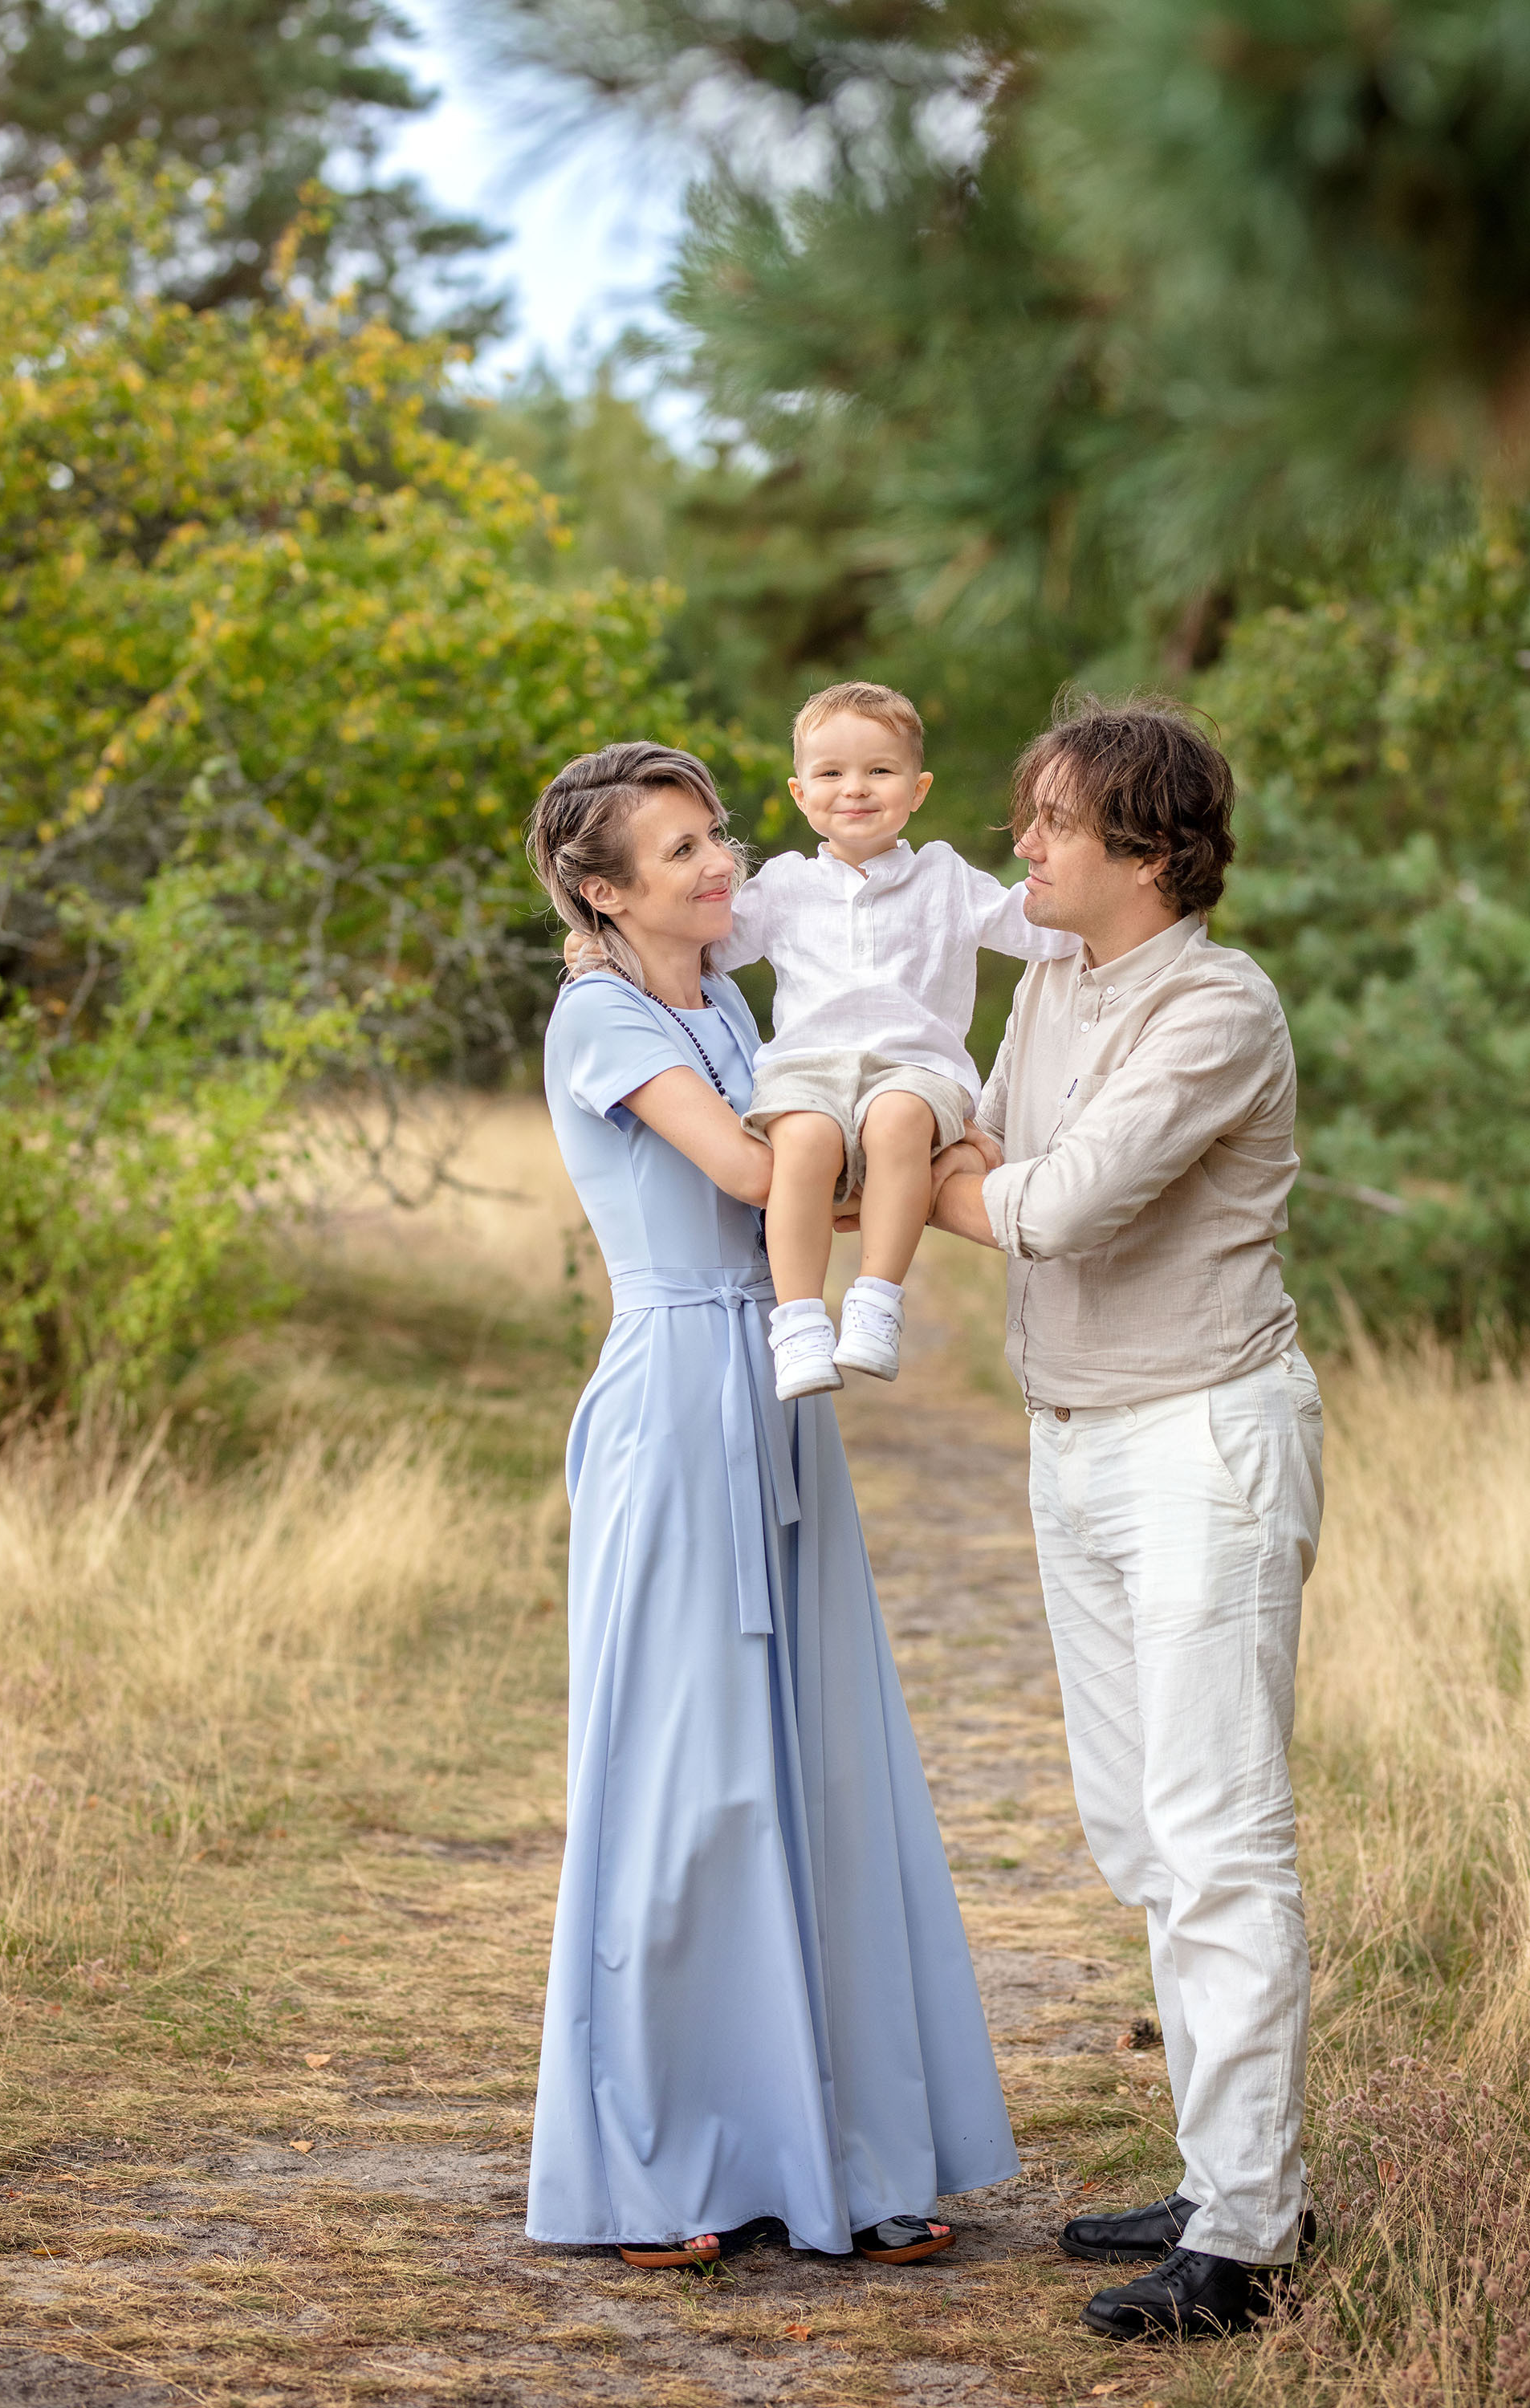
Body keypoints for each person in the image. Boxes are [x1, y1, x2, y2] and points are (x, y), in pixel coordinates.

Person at [523, 738, 1019, 2270]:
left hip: (781, 1391)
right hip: (678, 1394)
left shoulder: (729, 999)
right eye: (676, 853)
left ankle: (844, 2154)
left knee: (820, 1763)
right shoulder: (601, 1016)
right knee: (687, 1775)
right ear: (602, 894)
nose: (719, 864)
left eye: (716, 836)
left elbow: (827, 1155)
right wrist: (929, 1158)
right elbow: (752, 1175)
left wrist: (917, 1136)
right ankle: (666, 2165)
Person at [930, 696, 1325, 2341]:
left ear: (1146, 848)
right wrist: (986, 1180)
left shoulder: (1215, 1007)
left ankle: (1245, 2242)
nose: (1019, 844)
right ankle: (1218, 2173)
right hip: (1074, 1443)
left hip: (1202, 1443)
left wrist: (963, 1188)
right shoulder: (1054, 981)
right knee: (1141, 1833)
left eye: (1048, 821)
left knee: (1220, 1835)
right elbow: (1003, 1153)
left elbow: (1059, 1204)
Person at [713, 680, 1077, 1402]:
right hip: (808, 1071)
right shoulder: (783, 885)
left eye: (879, 771)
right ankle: (799, 1323)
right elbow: (701, 947)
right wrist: (605, 946)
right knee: (806, 1140)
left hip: (916, 1068)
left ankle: (876, 1301)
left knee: (898, 1118)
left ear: (918, 789)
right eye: (830, 773)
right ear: (798, 792)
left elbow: (1035, 926)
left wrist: (1128, 905)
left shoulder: (944, 876)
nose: (855, 789)